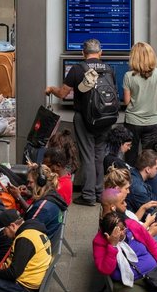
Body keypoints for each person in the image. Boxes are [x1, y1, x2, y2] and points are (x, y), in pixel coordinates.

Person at [45, 39, 111, 207]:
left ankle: (88, 195)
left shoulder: (77, 69)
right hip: (105, 118)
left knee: (88, 155)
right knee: (99, 155)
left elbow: (62, 94)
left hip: (85, 118)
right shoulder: (109, 69)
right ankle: (98, 192)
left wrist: (51, 89)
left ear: (83, 53)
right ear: (100, 52)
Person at [123, 41, 157, 167]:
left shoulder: (128, 76)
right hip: (153, 121)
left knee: (130, 157)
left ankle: (130, 184)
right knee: (149, 158)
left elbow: (126, 101)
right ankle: (148, 184)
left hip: (133, 122)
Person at [20, 164, 68, 239]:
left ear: (40, 182)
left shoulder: (43, 208)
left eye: (30, 182)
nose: (28, 185)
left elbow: (25, 232)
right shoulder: (52, 196)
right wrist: (30, 194)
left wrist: (18, 197)